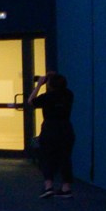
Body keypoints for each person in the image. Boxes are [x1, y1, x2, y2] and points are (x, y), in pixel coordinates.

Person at [29, 70, 75, 198]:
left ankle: (48, 186)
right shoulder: (69, 94)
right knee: (65, 158)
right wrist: (52, 78)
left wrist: (39, 84)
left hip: (49, 129)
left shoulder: (47, 96)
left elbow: (31, 101)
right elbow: (59, 92)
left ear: (50, 84)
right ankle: (66, 188)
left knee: (45, 157)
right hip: (66, 129)